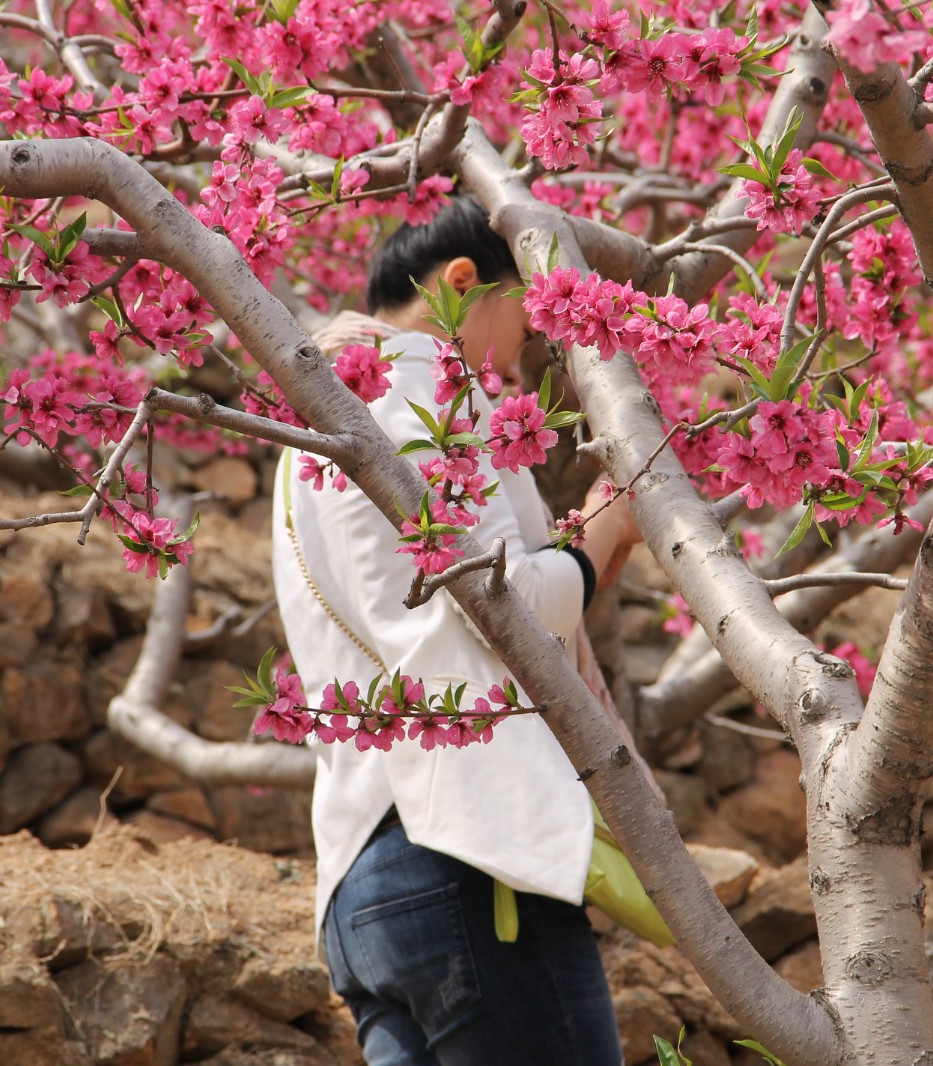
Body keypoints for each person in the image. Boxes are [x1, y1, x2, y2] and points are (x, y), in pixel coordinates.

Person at [271, 194, 644, 1066]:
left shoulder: (322, 417)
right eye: (524, 319)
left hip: (363, 887)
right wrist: (602, 533)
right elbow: (488, 601)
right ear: (462, 281)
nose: (523, 356)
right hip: (462, 861)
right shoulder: (410, 393)